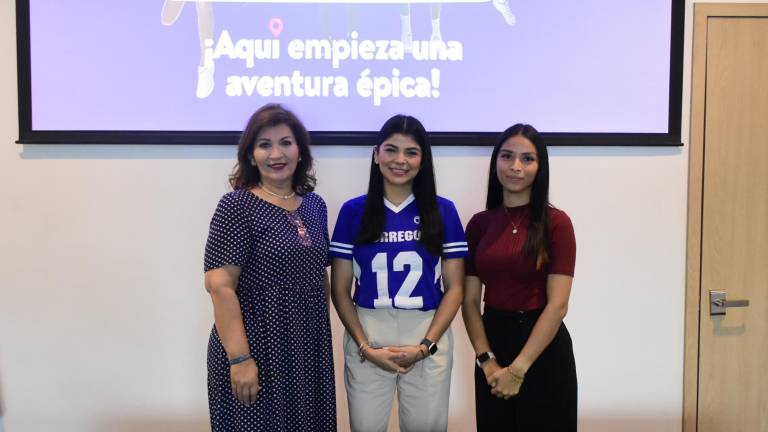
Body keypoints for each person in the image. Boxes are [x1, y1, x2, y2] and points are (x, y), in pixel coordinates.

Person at [330, 114, 467, 432]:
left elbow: (456, 288)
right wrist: (364, 346)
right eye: (391, 150)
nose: (400, 160)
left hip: (426, 330)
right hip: (368, 331)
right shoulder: (353, 212)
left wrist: (426, 345)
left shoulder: (443, 211)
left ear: (423, 160)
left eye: (411, 152)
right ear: (376, 155)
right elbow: (340, 289)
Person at [203, 104, 335, 431]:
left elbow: (320, 274)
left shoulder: (316, 206)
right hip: (256, 349)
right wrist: (240, 359)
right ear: (250, 155)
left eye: (286, 143)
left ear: (300, 151)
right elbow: (219, 285)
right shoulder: (236, 206)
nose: (276, 153)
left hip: (306, 349)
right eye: (264, 145)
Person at [462, 124, 577, 431]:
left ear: (540, 167)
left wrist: (518, 369)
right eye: (507, 156)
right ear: (495, 162)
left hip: (544, 350)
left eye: (528, 159)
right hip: (493, 347)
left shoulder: (557, 223)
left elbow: (558, 306)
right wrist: (487, 361)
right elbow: (471, 301)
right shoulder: (479, 225)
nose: (515, 166)